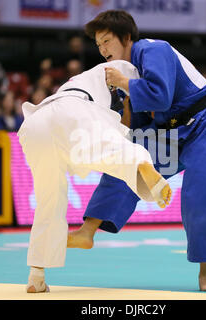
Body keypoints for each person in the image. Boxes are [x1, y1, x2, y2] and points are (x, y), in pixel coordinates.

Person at [68, 10, 206, 292]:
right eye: (98, 45)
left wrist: (123, 84)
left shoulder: (152, 49)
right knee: (127, 163)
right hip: (170, 134)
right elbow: (140, 124)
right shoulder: (125, 76)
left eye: (107, 41)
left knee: (199, 194)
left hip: (205, 126)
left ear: (126, 38)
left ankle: (205, 273)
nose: (103, 50)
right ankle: (87, 232)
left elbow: (160, 97)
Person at [18, 59, 172, 293]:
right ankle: (142, 164)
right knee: (109, 150)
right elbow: (150, 89)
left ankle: (36, 276)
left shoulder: (82, 80)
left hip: (36, 122)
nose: (104, 49)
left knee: (49, 198)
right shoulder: (120, 65)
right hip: (75, 111)